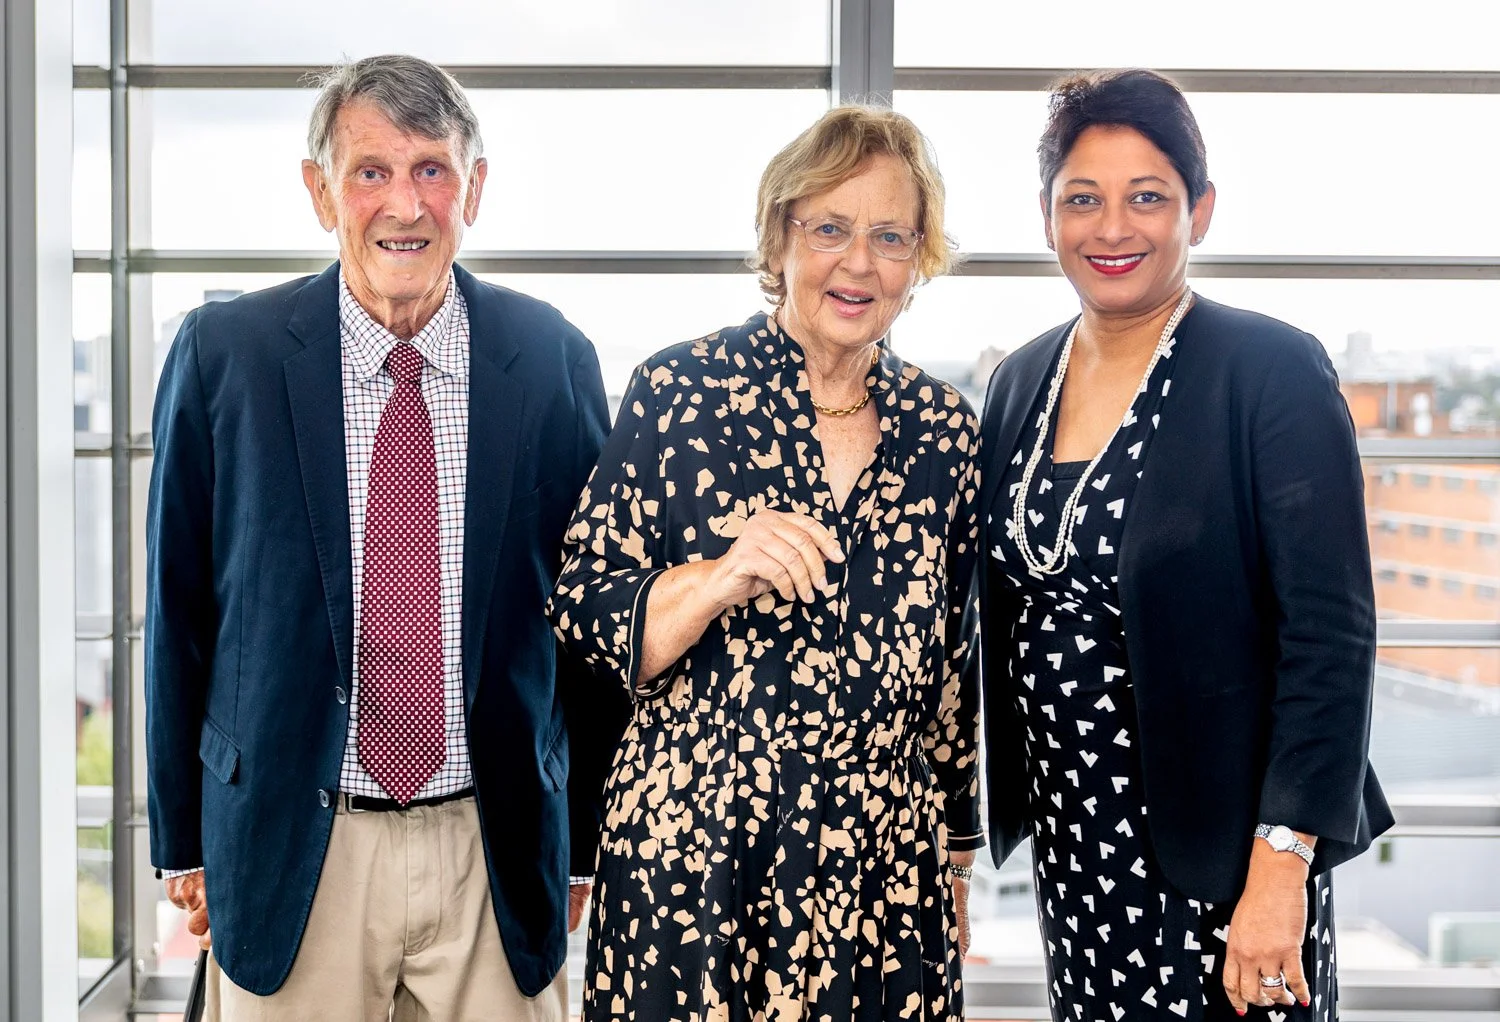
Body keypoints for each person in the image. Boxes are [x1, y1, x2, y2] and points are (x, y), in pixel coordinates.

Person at [145, 54, 625, 1020]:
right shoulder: (224, 356)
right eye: (371, 171)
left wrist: (585, 842)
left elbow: (588, 620)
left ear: (473, 189)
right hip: (292, 843)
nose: (404, 206)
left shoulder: (551, 358)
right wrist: (184, 840)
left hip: (492, 847)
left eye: (431, 170)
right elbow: (178, 609)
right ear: (321, 191)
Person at [977, 68, 1394, 1021]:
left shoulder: (1269, 368)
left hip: (1231, 865)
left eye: (1147, 197)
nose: (1111, 228)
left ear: (1199, 211)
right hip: (1076, 852)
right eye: (1082, 198)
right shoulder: (1019, 380)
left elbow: (1331, 637)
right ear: (1047, 218)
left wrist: (1282, 868)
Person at [548, 105, 982, 1021]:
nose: (859, 263)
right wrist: (714, 579)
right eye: (829, 229)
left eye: (890, 236)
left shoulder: (944, 427)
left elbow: (953, 662)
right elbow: (583, 606)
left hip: (885, 868)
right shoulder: (679, 391)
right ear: (780, 236)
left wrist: (954, 853)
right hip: (695, 858)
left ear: (918, 258)